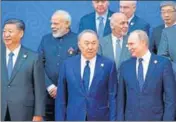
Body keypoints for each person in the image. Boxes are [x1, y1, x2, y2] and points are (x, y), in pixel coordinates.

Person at [55, 30, 117, 121]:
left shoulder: (108, 64)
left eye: (94, 43)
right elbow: (61, 98)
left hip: (100, 117)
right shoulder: (68, 64)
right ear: (79, 45)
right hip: (74, 117)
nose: (90, 47)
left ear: (98, 44)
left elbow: (113, 96)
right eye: (86, 43)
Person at [117, 30, 176, 121]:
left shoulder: (163, 64)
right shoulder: (125, 66)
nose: (129, 47)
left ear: (143, 43)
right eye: (128, 44)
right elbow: (121, 99)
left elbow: (170, 98)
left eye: (131, 44)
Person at [1, 19, 46, 121]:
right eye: (4, 31)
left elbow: (39, 89)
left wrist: (38, 114)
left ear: (21, 33)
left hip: (23, 112)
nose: (6, 35)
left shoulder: (33, 57)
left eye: (10, 31)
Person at [38, 10, 78, 121]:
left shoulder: (78, 40)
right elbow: (38, 65)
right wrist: (50, 86)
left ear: (67, 24)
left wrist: (63, 88)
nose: (52, 26)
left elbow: (81, 68)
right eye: (51, 23)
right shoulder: (45, 39)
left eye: (55, 23)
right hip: (48, 95)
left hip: (70, 95)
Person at [157, 2, 176, 80]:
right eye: (163, 12)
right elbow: (162, 57)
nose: (166, 15)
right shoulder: (167, 32)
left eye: (169, 11)